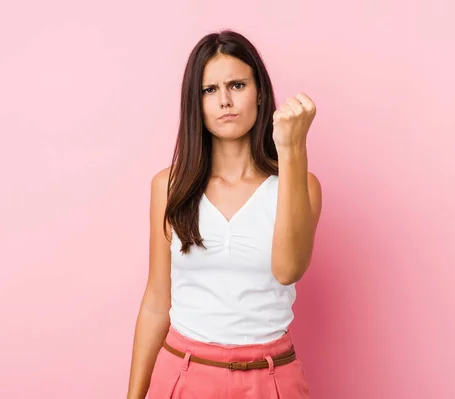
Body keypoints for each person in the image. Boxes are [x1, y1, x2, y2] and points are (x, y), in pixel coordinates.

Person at [126, 29, 322, 399]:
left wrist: (292, 148)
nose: (225, 101)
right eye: (210, 90)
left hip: (272, 379)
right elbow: (156, 302)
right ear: (195, 103)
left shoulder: (301, 185)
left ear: (260, 92)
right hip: (184, 374)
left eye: (237, 85)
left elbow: (288, 269)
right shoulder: (169, 187)